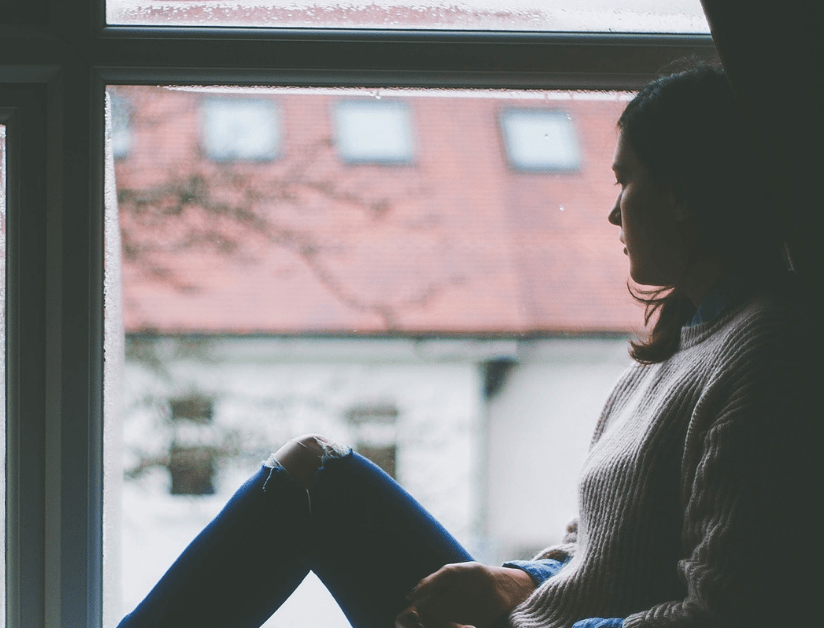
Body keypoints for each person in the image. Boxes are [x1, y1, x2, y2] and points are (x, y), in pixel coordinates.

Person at [116, 64, 820, 628]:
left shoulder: (769, 353)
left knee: (318, 486)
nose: (612, 210)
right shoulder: (673, 354)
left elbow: (731, 614)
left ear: (683, 194)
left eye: (625, 179)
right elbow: (596, 557)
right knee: (311, 473)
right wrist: (514, 583)